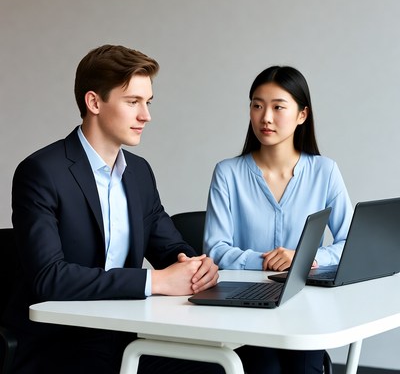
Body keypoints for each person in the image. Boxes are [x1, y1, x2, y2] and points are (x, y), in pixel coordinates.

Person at [4, 44, 223, 374]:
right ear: (94, 102)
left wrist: (194, 265)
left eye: (147, 102)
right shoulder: (41, 172)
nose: (145, 115)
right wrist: (156, 282)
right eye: (132, 102)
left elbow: (169, 246)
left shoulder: (139, 172)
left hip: (123, 332)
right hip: (60, 341)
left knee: (215, 365)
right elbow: (50, 278)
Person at [204, 65, 353, 373]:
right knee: (265, 366)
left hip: (306, 309)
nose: (265, 117)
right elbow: (215, 249)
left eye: (277, 107)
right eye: (257, 106)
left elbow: (350, 244)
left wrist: (303, 258)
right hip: (245, 309)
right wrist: (266, 261)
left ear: (302, 114)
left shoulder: (325, 171)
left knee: (304, 363)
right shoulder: (228, 173)